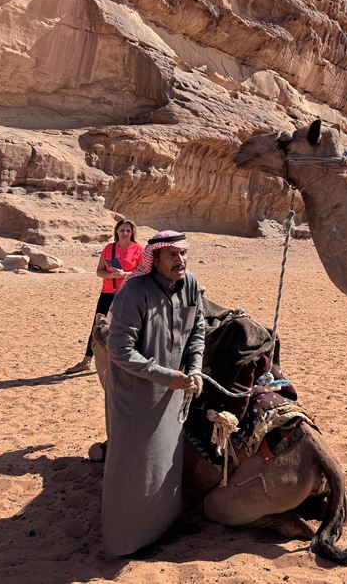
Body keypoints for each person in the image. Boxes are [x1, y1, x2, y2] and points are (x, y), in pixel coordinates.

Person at [101, 230, 205, 558]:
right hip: (136, 396)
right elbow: (120, 350)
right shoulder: (135, 291)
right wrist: (167, 376)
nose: (180, 260)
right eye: (172, 255)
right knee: (135, 466)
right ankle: (128, 542)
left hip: (175, 390)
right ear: (155, 259)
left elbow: (198, 329)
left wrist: (196, 368)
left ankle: (165, 524)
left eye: (183, 253)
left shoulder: (189, 285)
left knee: (168, 462)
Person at [63, 219, 143, 375]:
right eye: (122, 230)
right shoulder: (109, 249)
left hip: (129, 293)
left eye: (128, 230)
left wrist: (124, 274)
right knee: (98, 326)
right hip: (108, 292)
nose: (125, 233)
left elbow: (143, 272)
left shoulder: (138, 249)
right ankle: (86, 361)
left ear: (132, 232)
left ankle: (129, 361)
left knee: (128, 327)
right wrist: (110, 274)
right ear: (117, 231)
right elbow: (99, 271)